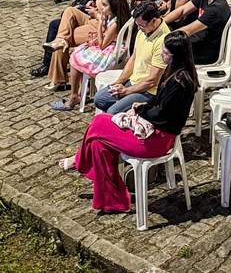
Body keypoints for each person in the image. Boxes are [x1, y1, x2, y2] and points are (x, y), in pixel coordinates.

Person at [60, 29, 198, 213]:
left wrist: (141, 109)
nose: (162, 55)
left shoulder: (180, 83)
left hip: (158, 140)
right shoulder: (175, 72)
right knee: (98, 145)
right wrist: (144, 106)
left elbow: (163, 116)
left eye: (165, 53)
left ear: (177, 56)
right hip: (156, 131)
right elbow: (160, 103)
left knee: (99, 122)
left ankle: (80, 162)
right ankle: (113, 201)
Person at [92, 1, 170, 115]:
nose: (139, 29)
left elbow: (152, 80)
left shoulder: (162, 40)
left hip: (149, 91)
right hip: (133, 82)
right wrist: (120, 82)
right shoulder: (143, 30)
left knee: (112, 111)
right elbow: (134, 57)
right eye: (137, 25)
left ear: (154, 20)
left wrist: (126, 91)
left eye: (142, 25)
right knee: (100, 99)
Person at [162, 0, 231, 63]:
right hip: (197, 40)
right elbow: (182, 10)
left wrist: (162, 37)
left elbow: (188, 30)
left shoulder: (216, 9)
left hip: (206, 51)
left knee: (168, 47)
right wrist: (161, 23)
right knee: (166, 27)